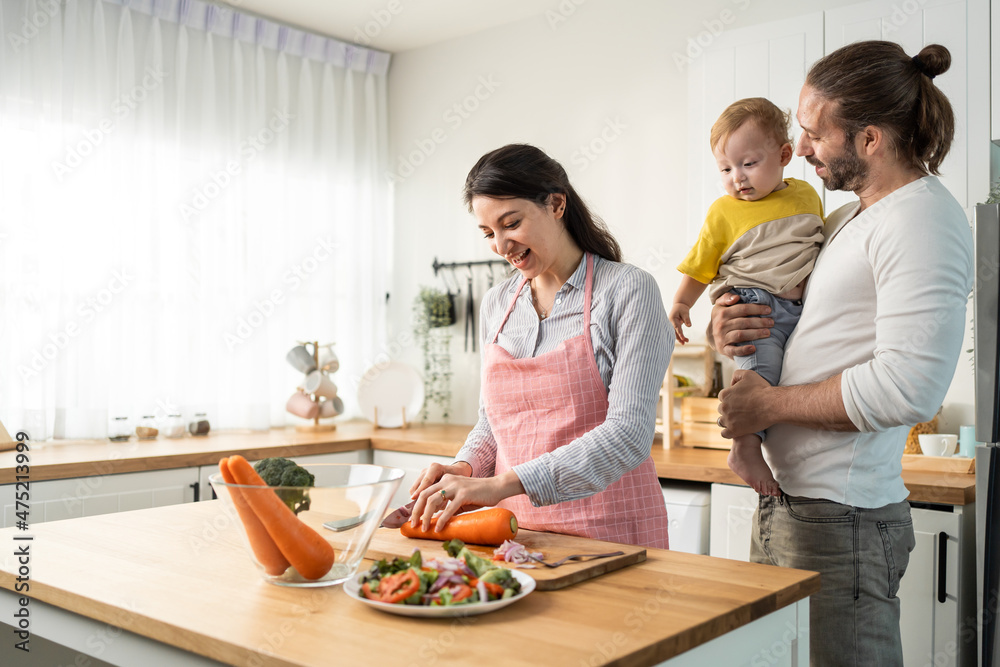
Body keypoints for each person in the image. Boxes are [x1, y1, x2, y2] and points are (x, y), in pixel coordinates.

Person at [711, 42, 973, 665]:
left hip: (843, 519)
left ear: (871, 139)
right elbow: (798, 321)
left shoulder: (921, 221)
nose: (798, 148)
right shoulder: (847, 220)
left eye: (811, 132)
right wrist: (731, 325)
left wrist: (766, 404)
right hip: (793, 504)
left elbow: (908, 387)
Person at [408, 143, 672, 549]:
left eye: (511, 223)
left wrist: (502, 485)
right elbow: (494, 424)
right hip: (517, 537)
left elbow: (629, 433)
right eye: (488, 233)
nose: (500, 245)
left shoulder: (627, 290)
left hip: (612, 536)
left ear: (556, 204)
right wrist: (464, 467)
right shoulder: (497, 304)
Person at [669, 97, 824, 496]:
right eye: (725, 168)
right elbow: (700, 265)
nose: (737, 177)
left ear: (785, 155)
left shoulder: (807, 196)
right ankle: (743, 446)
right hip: (754, 304)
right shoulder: (724, 211)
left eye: (748, 164)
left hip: (797, 309)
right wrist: (682, 304)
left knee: (781, 375)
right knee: (758, 375)